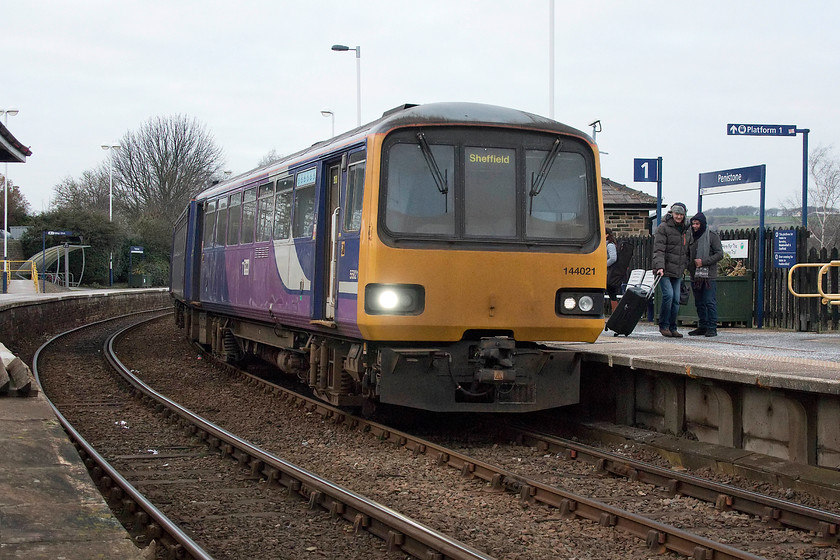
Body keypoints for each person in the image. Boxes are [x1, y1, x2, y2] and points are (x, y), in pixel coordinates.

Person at [652, 202, 689, 337]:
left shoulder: (686, 230)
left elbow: (687, 250)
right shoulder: (663, 228)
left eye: (681, 214)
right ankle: (664, 325)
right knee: (668, 296)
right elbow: (659, 249)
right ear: (671, 214)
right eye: (676, 214)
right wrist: (660, 266)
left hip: (678, 270)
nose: (679, 216)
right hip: (664, 269)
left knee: (676, 300)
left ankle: (673, 327)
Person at [687, 212, 723, 337]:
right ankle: (702, 326)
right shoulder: (690, 236)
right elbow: (687, 253)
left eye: (697, 224)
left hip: (709, 276)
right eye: (693, 224)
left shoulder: (712, 236)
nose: (695, 226)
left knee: (709, 301)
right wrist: (688, 265)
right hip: (695, 275)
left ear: (702, 224)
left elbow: (719, 254)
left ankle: (712, 327)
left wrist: (704, 262)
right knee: (699, 302)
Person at [605, 228, 619, 312]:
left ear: (607, 235)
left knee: (611, 291)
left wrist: (604, 265)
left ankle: (615, 312)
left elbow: (613, 258)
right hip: (607, 272)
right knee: (611, 292)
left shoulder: (610, 245)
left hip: (609, 272)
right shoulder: (606, 245)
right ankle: (615, 312)